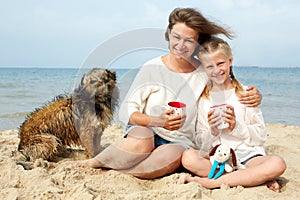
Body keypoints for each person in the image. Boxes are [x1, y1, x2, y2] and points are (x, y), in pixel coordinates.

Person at [76, 8, 262, 179]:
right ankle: (95, 162)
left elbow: (225, 82)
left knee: (173, 155)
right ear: (168, 36)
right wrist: (159, 121)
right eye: (176, 37)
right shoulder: (152, 68)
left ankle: (118, 171)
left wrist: (254, 95)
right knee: (143, 140)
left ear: (197, 44)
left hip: (178, 142)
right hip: (145, 132)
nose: (181, 45)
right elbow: (126, 114)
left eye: (189, 40)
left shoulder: (203, 72)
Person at [178, 36, 286, 192]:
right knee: (188, 157)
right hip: (219, 158)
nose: (216, 70)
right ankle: (250, 177)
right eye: (209, 67)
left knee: (277, 163)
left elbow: (261, 136)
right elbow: (201, 140)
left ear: (230, 61)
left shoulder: (245, 94)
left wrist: (236, 127)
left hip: (249, 155)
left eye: (220, 63)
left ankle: (212, 182)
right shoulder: (203, 99)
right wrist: (212, 131)